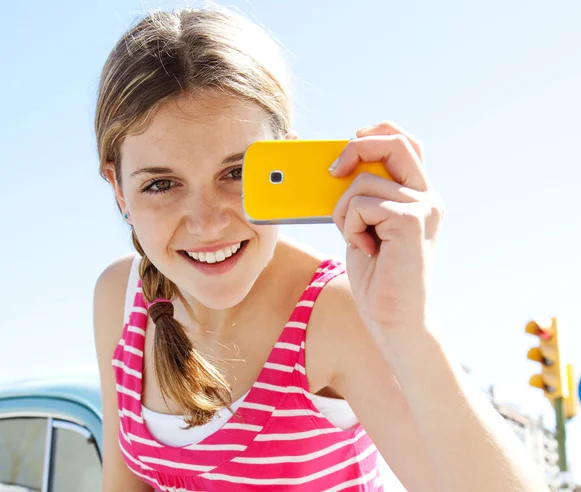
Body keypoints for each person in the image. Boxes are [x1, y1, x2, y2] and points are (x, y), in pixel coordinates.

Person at [93, 4, 549, 492]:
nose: (207, 223)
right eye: (161, 185)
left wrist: (407, 330)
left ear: (288, 158)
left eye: (237, 173)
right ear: (119, 190)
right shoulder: (121, 300)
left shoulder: (332, 314)